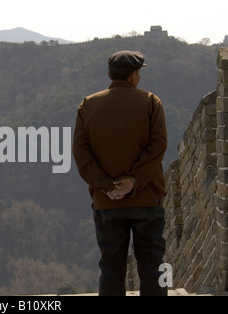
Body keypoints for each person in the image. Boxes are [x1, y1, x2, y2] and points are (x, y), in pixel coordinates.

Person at [72, 50, 168, 296]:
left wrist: (107, 186)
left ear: (109, 74)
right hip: (147, 199)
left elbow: (82, 155)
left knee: (111, 267)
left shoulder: (87, 105)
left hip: (107, 203)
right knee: (153, 265)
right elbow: (158, 146)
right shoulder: (150, 102)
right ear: (134, 76)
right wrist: (133, 181)